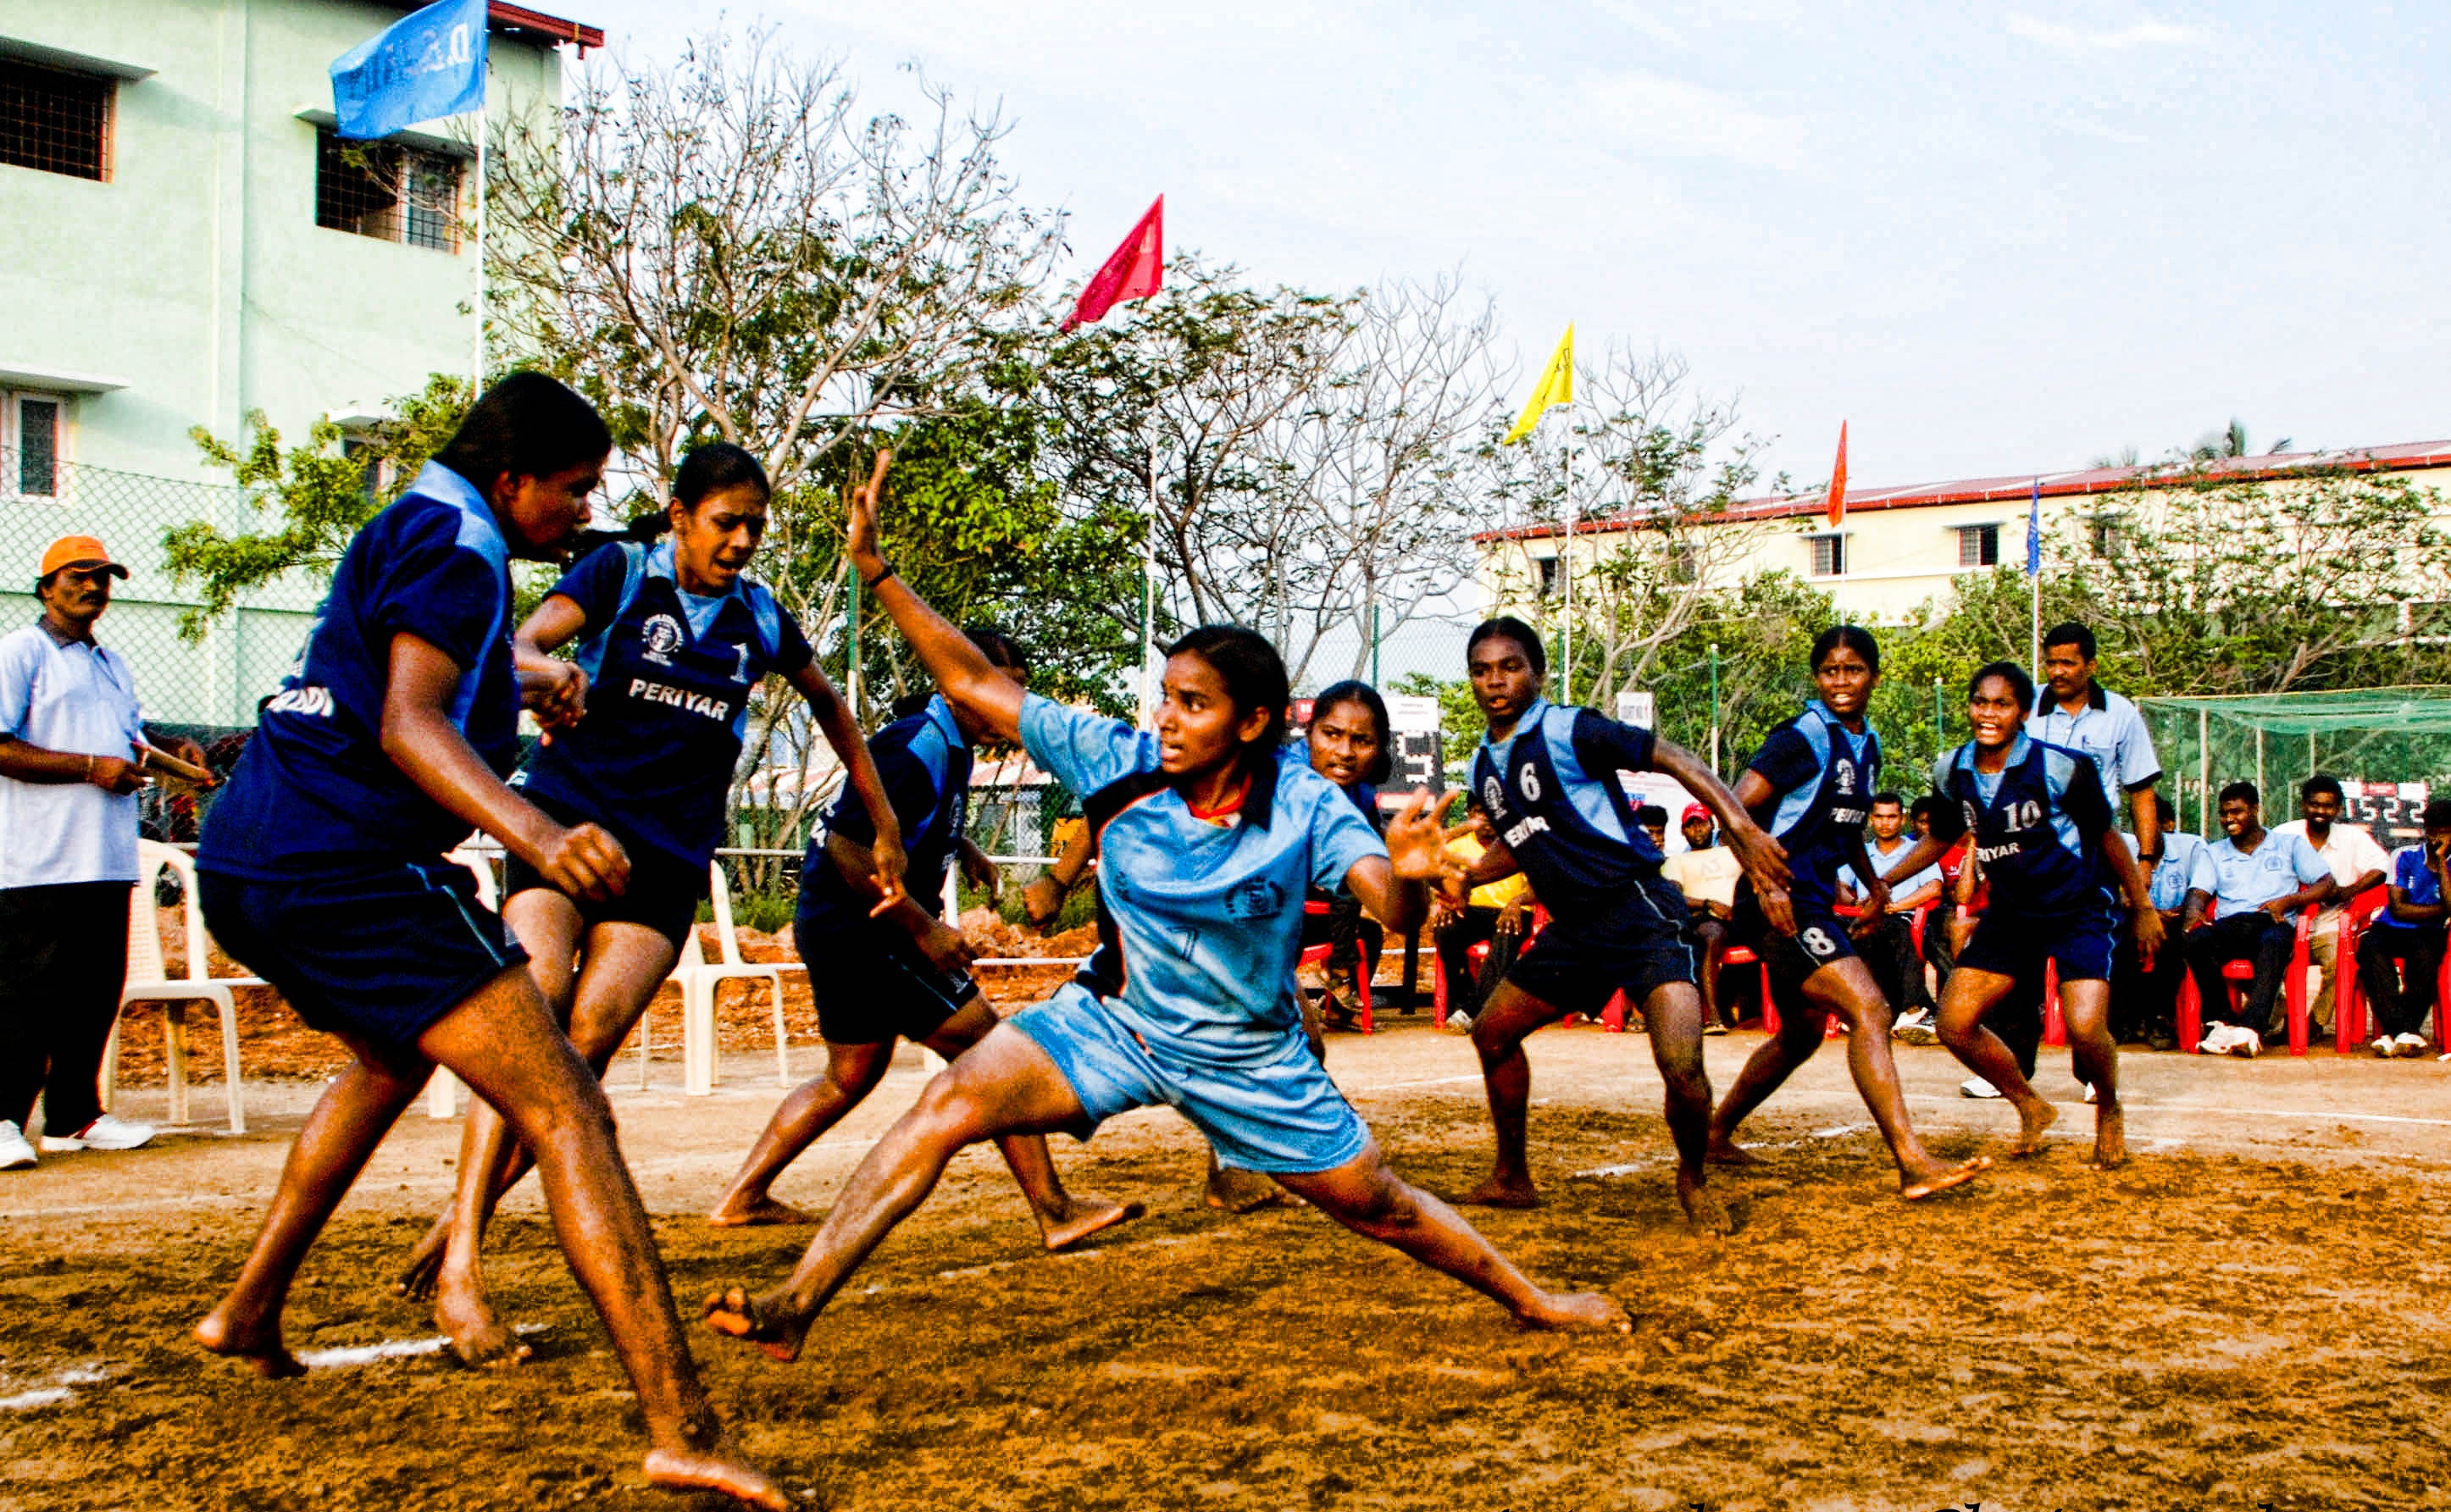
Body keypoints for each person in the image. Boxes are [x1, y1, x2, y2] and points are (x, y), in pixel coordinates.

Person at [701, 456, 1628, 1360]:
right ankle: (795, 1302)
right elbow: (973, 682)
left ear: (1254, 723)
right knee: (949, 1101)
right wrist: (878, 572)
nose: (1168, 719)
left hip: (1249, 1056)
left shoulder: (1302, 800)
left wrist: (1414, 874)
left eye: (1191, 704)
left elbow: (1384, 905)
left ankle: (1533, 1299)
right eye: (1164, 699)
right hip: (1118, 1024)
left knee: (1381, 1205)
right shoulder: (1117, 758)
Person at [190, 374, 784, 1507]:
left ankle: (250, 1305)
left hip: (251, 856)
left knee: (387, 1060)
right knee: (568, 1109)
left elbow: (401, 671)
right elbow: (405, 719)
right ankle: (679, 1424)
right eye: (572, 490)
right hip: (345, 872)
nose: (582, 511)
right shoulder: (463, 551)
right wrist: (538, 830)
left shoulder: (415, 521)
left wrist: (534, 671)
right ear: (513, 482)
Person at [389, 442, 916, 1360]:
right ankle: (464, 1258)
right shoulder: (620, 572)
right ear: (679, 516)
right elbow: (521, 641)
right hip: (565, 827)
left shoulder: (759, 617)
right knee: (535, 1000)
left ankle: (460, 1212)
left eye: (755, 524)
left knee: (585, 1041)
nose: (744, 539)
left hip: (664, 862)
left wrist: (884, 821)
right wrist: (543, 672)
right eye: (727, 522)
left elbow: (833, 709)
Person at [706, 626, 1140, 1248]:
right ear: (954, 683)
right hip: (866, 930)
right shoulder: (919, 746)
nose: (1003, 705)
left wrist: (960, 846)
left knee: (848, 1075)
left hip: (840, 925)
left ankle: (742, 1194)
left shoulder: (947, 742)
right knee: (991, 1049)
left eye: (1013, 691)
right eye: (992, 688)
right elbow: (847, 846)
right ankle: (1054, 1208)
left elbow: (898, 820)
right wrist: (923, 926)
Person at [1450, 617, 1788, 1225]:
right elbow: (1524, 839)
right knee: (1491, 1032)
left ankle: (1691, 1177)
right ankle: (1511, 1175)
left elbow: (1674, 756)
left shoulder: (1569, 727)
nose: (1494, 680)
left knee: (1681, 1066)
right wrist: (1463, 875)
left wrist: (1740, 825)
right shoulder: (1483, 764)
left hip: (1639, 909)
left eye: (1509, 666)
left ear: (1536, 672)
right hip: (1573, 930)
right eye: (1481, 669)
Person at [1704, 626, 1990, 1201]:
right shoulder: (1801, 737)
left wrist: (1872, 883)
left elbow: (1844, 824)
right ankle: (1912, 1161)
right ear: (1817, 677)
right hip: (1775, 901)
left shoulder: (1866, 744)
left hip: (1809, 897)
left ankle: (1711, 1134)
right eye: (1830, 670)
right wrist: (1764, 883)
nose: (1841, 681)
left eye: (1853, 669)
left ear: (1873, 677)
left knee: (1800, 1035)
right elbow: (1729, 810)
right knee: (1870, 1008)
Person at [1886, 663, 2162, 1170]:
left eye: (2002, 704)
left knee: (2084, 1028)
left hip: (2078, 908)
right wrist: (1883, 883)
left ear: (2023, 713)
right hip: (2013, 914)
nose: (1988, 713)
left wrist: (2141, 905)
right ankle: (2030, 1105)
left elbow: (2105, 836)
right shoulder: (1953, 770)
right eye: (1980, 702)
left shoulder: (2062, 767)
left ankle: (2108, 1107)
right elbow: (1940, 838)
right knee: (1954, 1023)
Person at [0, 535, 213, 1169]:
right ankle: (5, 1118)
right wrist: (92, 767)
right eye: (78, 576)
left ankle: (74, 1116)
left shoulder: (110, 662)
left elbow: (130, 742)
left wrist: (175, 750)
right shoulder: (20, 652)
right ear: (46, 587)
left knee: (92, 993)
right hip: (33, 858)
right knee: (21, 996)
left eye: (104, 578)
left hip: (105, 856)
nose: (93, 587)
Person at [2179, 782, 2336, 1056]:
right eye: (2224, 814)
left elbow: (2326, 883)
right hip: (2232, 924)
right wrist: (2193, 913)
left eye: (2237, 812)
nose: (2229, 820)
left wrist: (2291, 901)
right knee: (2196, 939)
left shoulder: (2288, 845)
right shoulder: (2214, 852)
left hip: (2272, 922)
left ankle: (2251, 1029)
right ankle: (2222, 1022)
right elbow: (2198, 892)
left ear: (2255, 809)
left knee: (2273, 943)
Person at [2032, 622, 2165, 875]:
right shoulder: (2025, 706)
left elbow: (2141, 791)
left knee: (2096, 914)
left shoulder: (2121, 713)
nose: (2057, 672)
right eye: (2051, 663)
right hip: (2034, 847)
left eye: (2068, 664)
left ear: (2091, 666)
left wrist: (2145, 861)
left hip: (2096, 847)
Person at [1299, 682, 1391, 1031]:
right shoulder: (1283, 781)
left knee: (1368, 933)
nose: (1345, 751)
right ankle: (1338, 972)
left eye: (1362, 741)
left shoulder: (1361, 792)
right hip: (1267, 914)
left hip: (1318, 915)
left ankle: (1339, 1010)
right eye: (1331, 734)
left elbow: (1375, 854)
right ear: (1310, 733)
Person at [2270, 775, 2390, 1035]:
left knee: (2344, 961)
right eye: (2315, 805)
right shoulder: (2283, 834)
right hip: (2287, 923)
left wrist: (2348, 891)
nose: (2321, 811)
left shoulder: (2351, 837)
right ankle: (2279, 1009)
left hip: (2330, 926)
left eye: (2328, 806)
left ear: (2338, 809)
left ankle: (2314, 1023)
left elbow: (2383, 866)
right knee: (2263, 955)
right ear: (2303, 805)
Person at [1834, 792, 1943, 1041]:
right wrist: (1855, 903)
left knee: (1891, 927)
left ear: (1902, 819)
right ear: (1871, 819)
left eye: (1892, 817)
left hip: (1902, 918)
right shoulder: (1861, 852)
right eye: (1879, 817)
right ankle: (1860, 1009)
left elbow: (1933, 887)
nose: (1885, 823)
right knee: (1831, 928)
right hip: (1863, 917)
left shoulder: (1917, 850)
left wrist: (1895, 906)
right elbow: (1838, 885)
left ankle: (1915, 1008)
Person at [2354, 799, 2451, 1056]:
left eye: (2446, 832)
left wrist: (2441, 864)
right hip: (2391, 926)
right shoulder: (2404, 855)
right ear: (2426, 830)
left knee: (2425, 958)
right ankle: (2404, 1032)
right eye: (2435, 830)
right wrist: (2440, 910)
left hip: (2429, 932)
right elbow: (2398, 908)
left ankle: (2391, 1034)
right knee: (2369, 948)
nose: (2439, 837)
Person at [2111, 793, 2207, 1050]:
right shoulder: (2123, 849)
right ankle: (2123, 1017)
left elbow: (2201, 890)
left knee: (2172, 944)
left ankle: (2159, 1018)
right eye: (2137, 826)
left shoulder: (2192, 848)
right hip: (2134, 922)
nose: (2142, 834)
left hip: (2173, 923)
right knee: (2117, 940)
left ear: (2167, 825)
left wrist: (2168, 916)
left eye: (2149, 825)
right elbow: (2113, 895)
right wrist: (2140, 909)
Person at [1433, 802, 1535, 1035]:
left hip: (1515, 912)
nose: (1487, 817)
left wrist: (1519, 901)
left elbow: (1540, 886)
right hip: (1474, 912)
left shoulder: (1518, 842)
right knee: (1446, 929)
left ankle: (1471, 1010)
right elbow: (1448, 885)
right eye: (1480, 811)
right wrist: (1449, 902)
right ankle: (1467, 1000)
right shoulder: (1456, 847)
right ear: (1470, 814)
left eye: (1492, 811)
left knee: (1507, 929)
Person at [1661, 803, 1744, 1032]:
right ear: (1683, 832)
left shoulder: (1731, 854)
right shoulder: (1676, 862)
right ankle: (1714, 1016)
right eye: (1691, 826)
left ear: (1712, 825)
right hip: (1705, 919)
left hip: (1739, 917)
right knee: (1712, 934)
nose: (1697, 830)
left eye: (1702, 824)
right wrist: (1709, 904)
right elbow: (1674, 896)